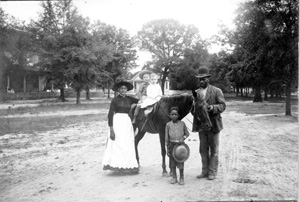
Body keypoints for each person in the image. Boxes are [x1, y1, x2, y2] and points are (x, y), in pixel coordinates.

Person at [192, 66, 226, 180]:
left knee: (214, 149)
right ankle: (204, 171)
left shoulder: (217, 91)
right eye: (200, 79)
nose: (201, 81)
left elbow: (222, 106)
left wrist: (212, 107)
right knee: (203, 149)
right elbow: (194, 110)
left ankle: (212, 172)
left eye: (204, 79)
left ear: (208, 79)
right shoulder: (196, 93)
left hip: (214, 124)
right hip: (202, 126)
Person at [102, 81, 139, 173]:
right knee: (118, 143)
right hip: (117, 122)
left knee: (127, 143)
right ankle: (117, 166)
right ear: (118, 90)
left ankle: (128, 166)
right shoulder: (115, 100)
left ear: (127, 90)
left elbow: (141, 101)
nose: (123, 90)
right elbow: (110, 114)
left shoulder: (130, 99)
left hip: (127, 122)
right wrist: (111, 129)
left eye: (125, 88)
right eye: (121, 88)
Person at [165, 107, 189, 185]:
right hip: (172, 145)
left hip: (180, 146)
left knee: (180, 161)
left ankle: (181, 177)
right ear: (170, 115)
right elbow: (166, 137)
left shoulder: (182, 124)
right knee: (172, 162)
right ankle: (174, 177)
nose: (174, 116)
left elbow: (187, 134)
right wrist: (167, 146)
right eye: (172, 114)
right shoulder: (168, 125)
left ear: (178, 115)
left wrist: (183, 138)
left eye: (176, 114)